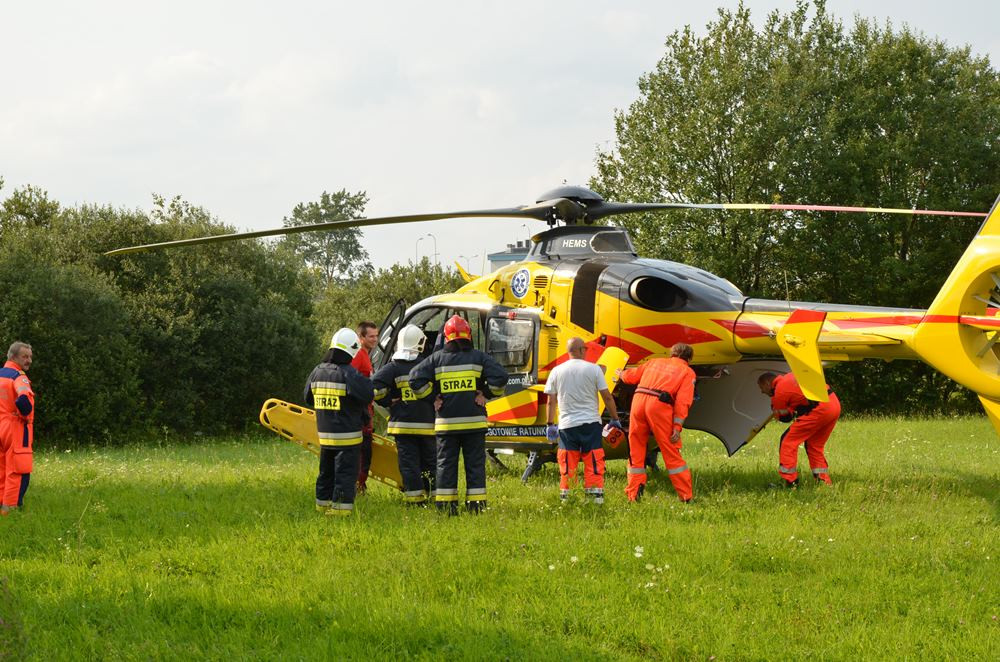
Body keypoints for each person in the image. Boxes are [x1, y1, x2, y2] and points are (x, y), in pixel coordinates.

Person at [409, 315, 508, 515]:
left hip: (447, 426)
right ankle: (476, 507)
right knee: (475, 467)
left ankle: (446, 509)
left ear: (446, 337)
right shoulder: (479, 357)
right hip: (474, 424)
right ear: (468, 335)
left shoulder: (436, 359)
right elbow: (501, 377)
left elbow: (414, 379)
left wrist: (432, 399)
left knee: (445, 466)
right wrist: (486, 395)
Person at [544, 337, 622, 504]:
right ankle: (595, 499)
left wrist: (550, 424)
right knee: (593, 460)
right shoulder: (594, 370)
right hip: (591, 424)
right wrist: (615, 419)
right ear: (579, 350)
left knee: (567, 463)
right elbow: (607, 397)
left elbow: (551, 401)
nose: (586, 351)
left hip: (566, 426)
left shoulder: (556, 371)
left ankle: (567, 499)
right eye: (585, 349)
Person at [305, 328, 374, 516]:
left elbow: (308, 397)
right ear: (350, 351)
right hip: (347, 437)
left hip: (326, 437)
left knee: (325, 473)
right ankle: (341, 512)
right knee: (345, 474)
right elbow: (368, 393)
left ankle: (322, 506)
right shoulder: (348, 373)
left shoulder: (316, 372)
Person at [619, 342, 696, 503]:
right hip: (659, 406)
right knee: (670, 450)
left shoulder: (654, 361)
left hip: (638, 402)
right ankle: (686, 496)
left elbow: (631, 376)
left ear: (672, 354)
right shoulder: (687, 372)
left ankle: (634, 494)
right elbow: (683, 402)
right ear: (689, 358)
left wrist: (620, 374)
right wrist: (677, 427)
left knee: (636, 447)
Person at [372, 325, 436, 505]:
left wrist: (388, 400)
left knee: (409, 465)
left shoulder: (392, 368)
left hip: (403, 427)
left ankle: (415, 501)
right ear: (420, 343)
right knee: (431, 463)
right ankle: (436, 497)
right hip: (427, 426)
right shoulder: (427, 365)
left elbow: (374, 388)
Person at [757, 371, 840, 486]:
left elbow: (785, 418)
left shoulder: (779, 392)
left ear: (767, 383)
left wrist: (778, 408)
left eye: (761, 387)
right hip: (833, 404)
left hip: (819, 409)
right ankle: (823, 481)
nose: (762, 392)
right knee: (814, 445)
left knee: (787, 441)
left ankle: (790, 482)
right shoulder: (790, 376)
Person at [0, 342, 35, 515]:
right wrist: (24, 415)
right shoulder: (19, 377)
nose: (29, 360)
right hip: (15, 429)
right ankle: (10, 511)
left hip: (1, 425)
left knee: (2, 469)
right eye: (25, 356)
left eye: (30, 357)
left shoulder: (0, 375)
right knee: (18, 470)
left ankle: (1, 505)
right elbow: (24, 401)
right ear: (13, 357)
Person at [352, 321, 379, 493]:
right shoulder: (359, 355)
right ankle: (358, 485)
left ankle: (360, 484)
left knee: (366, 450)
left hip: (366, 409)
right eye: (371, 336)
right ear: (361, 338)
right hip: (361, 411)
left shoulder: (366, 354)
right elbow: (350, 380)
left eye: (376, 335)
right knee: (363, 451)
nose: (375, 339)